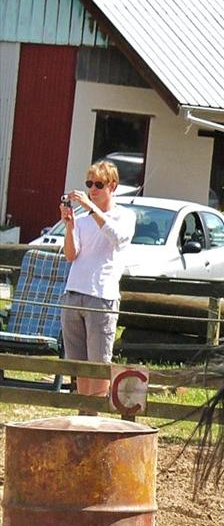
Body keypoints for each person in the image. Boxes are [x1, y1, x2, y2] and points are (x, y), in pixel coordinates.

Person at [60, 160, 136, 399]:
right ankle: (84, 416)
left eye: (98, 184)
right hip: (73, 295)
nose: (92, 189)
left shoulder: (125, 215)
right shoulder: (82, 220)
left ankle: (96, 421)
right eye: (89, 183)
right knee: (79, 367)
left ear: (112, 186)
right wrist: (70, 225)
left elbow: (119, 238)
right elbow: (71, 255)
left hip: (101, 298)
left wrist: (91, 209)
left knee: (99, 366)